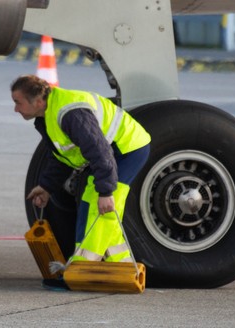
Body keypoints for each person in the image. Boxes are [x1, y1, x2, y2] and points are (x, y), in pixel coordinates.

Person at [11, 75, 151, 291]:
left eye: (18, 103)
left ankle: (81, 271)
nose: (15, 109)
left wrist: (106, 191)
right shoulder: (48, 115)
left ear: (38, 101)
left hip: (127, 149)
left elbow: (99, 151)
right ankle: (122, 268)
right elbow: (63, 156)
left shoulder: (71, 114)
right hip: (111, 153)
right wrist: (46, 187)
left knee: (97, 206)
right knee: (96, 206)